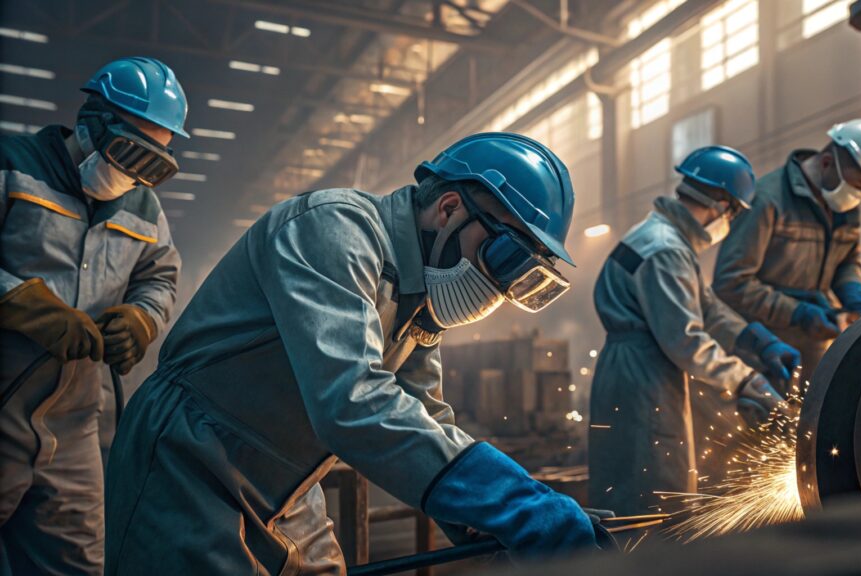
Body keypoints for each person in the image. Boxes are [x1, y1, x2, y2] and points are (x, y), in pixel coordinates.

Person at [103, 133, 607, 574]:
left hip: (289, 481)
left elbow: (422, 410)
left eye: (519, 278)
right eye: (504, 258)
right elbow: (353, 401)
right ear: (449, 208)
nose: (497, 288)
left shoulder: (420, 296)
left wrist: (479, 519)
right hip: (191, 459)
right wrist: (517, 505)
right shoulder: (334, 230)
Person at [0, 57, 185, 575]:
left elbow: (160, 277)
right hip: (3, 409)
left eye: (153, 163)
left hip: (75, 429)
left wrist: (143, 319)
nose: (133, 174)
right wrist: (21, 303)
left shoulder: (143, 208)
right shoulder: (11, 165)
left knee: (77, 564)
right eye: (130, 151)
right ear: (91, 122)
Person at [588, 146, 800, 517]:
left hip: (632, 366)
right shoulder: (665, 250)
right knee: (652, 485)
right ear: (720, 205)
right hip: (643, 375)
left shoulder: (662, 236)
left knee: (632, 477)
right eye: (733, 212)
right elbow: (686, 341)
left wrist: (755, 338)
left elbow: (706, 307)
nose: (730, 222)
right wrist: (746, 379)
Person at [713, 119, 861, 380]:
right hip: (765, 349)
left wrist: (854, 296)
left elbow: (847, 262)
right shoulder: (767, 200)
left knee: (811, 417)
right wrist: (797, 312)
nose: (857, 196)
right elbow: (730, 283)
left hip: (813, 346)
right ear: (826, 163)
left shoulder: (844, 205)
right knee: (767, 419)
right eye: (855, 184)